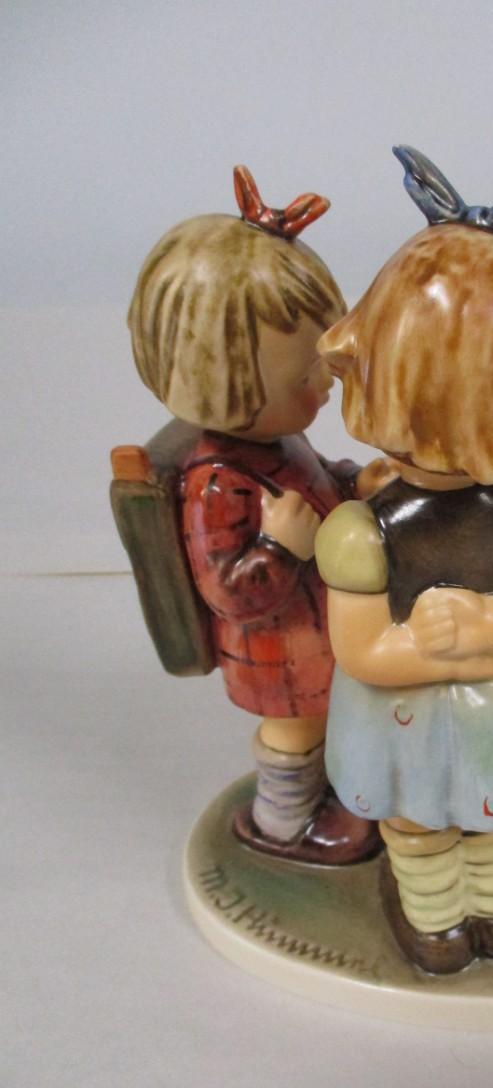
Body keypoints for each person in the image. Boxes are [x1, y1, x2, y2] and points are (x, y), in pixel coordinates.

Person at [314, 147, 493, 972]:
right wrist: (469, 651)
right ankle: (438, 919)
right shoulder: (361, 532)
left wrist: (482, 626)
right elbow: (362, 650)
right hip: (431, 709)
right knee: (423, 821)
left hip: (482, 698)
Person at [126, 166, 381, 864]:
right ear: (228, 383)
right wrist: (279, 547)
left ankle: (332, 801)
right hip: (280, 654)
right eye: (307, 375)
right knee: (295, 735)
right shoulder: (217, 482)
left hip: (318, 634)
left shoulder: (278, 440)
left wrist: (353, 481)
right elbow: (229, 591)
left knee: (331, 723)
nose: (327, 384)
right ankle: (281, 822)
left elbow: (315, 485)